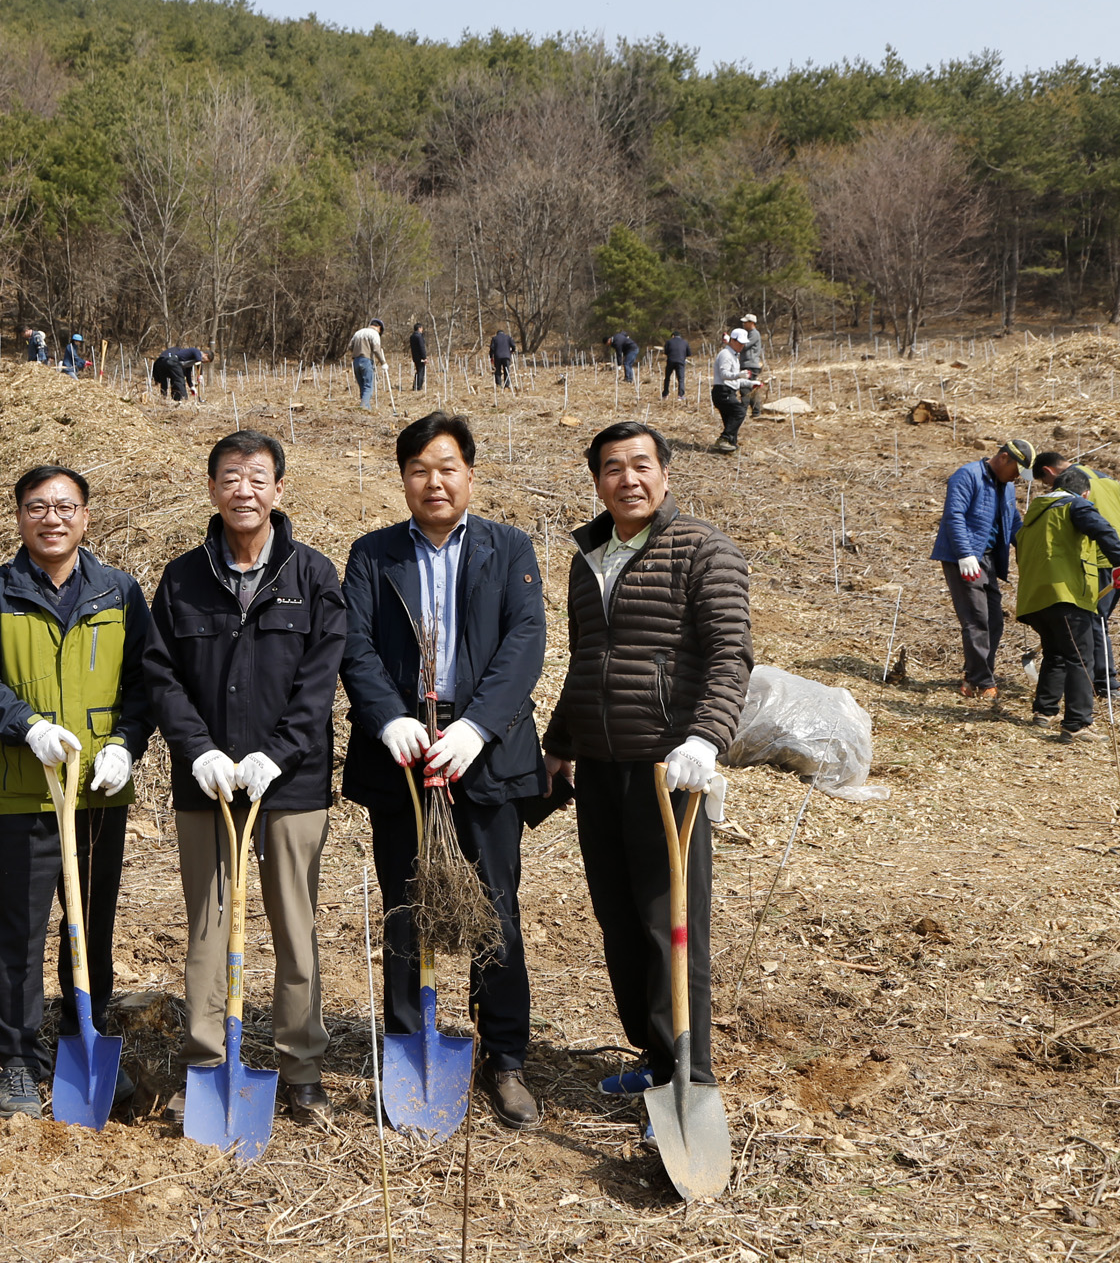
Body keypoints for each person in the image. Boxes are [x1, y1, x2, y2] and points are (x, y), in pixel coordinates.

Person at [540, 421, 752, 1144]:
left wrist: (705, 737)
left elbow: (731, 657)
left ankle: (688, 1074)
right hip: (599, 766)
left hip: (670, 770)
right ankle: (654, 1052)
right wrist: (559, 745)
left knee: (673, 926)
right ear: (596, 479)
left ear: (665, 472)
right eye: (610, 468)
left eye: (640, 465)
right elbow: (587, 662)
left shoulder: (704, 550)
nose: (626, 478)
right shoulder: (588, 555)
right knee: (619, 919)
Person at [339, 411, 548, 1129]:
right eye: (420, 468)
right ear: (403, 479)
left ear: (469, 473)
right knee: (407, 899)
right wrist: (386, 715)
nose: (435, 480)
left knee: (494, 903)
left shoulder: (507, 547)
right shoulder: (371, 555)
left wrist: (476, 725)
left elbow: (525, 642)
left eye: (448, 466)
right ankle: (408, 1039)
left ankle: (505, 1055)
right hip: (399, 751)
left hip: (483, 750)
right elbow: (354, 644)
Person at [143, 430, 348, 1122]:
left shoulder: (313, 575)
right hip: (207, 785)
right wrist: (198, 749)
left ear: (279, 490)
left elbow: (320, 682)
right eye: (231, 477)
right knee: (207, 925)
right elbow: (160, 675)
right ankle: (207, 1060)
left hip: (290, 786)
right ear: (211, 488)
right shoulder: (181, 578)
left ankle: (302, 1066)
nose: (244, 491)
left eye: (258, 478)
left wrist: (279, 753)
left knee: (296, 925)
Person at [0, 464, 156, 1118]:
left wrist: (126, 743)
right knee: (20, 924)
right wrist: (27, 724)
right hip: (26, 788)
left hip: (98, 788)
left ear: (86, 516)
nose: (53, 518)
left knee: (89, 922)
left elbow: (145, 682)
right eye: (38, 506)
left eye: (66, 506)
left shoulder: (119, 592)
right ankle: (15, 1055)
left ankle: (82, 1039)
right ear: (19, 517)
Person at [1017, 466, 1120, 743]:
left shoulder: (1033, 516)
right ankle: (1077, 724)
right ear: (1084, 492)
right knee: (1081, 657)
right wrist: (1119, 562)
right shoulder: (1075, 504)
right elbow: (1103, 528)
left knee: (1056, 652)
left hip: (1035, 598)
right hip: (1065, 593)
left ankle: (1044, 712)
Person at [1033, 452, 1120, 699]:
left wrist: (1106, 545)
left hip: (1096, 560)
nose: (1049, 489)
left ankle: (1106, 684)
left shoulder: (1068, 484)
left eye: (1046, 483)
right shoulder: (1106, 480)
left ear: (1049, 472)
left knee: (1094, 619)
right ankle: (1099, 682)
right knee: (1096, 619)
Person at [931, 439, 1035, 701]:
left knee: (994, 621)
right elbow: (954, 515)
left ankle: (974, 674)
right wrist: (965, 554)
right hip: (964, 558)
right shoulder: (967, 476)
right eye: (1016, 471)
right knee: (976, 619)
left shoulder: (1007, 486)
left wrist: (1030, 549)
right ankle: (981, 680)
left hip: (988, 559)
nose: (1017, 478)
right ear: (1003, 458)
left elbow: (1012, 523)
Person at [708, 330, 762, 453]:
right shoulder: (726, 354)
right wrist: (739, 375)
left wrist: (751, 383)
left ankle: (731, 446)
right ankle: (724, 439)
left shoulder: (734, 356)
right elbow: (724, 374)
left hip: (729, 391)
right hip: (722, 391)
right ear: (732, 340)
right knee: (739, 412)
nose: (742, 346)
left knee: (730, 421)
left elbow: (736, 381)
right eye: (740, 343)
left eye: (744, 343)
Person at [348, 320, 389, 410]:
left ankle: (367, 406)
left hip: (356, 361)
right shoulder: (374, 334)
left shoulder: (358, 333)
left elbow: (350, 346)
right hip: (366, 360)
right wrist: (383, 362)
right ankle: (363, 407)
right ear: (379, 327)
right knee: (368, 385)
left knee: (362, 385)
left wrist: (357, 352)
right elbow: (376, 350)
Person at [737, 315, 765, 413]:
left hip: (750, 365)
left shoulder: (754, 334)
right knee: (752, 389)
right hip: (748, 364)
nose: (743, 324)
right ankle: (756, 411)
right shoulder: (749, 333)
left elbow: (745, 346)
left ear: (751, 323)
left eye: (745, 322)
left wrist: (733, 342)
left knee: (745, 388)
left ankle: (742, 412)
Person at [661, 331, 689, 399]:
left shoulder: (668, 342)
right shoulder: (685, 342)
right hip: (680, 362)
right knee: (681, 379)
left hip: (670, 361)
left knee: (667, 378)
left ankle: (665, 394)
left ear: (673, 336)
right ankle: (681, 395)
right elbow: (689, 353)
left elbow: (666, 352)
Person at [409, 323, 429, 391]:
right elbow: (421, 347)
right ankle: (418, 386)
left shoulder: (412, 336)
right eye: (421, 328)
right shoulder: (419, 336)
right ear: (419, 328)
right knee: (421, 371)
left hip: (415, 357)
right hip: (420, 357)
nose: (422, 330)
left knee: (418, 371)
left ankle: (415, 385)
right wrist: (424, 357)